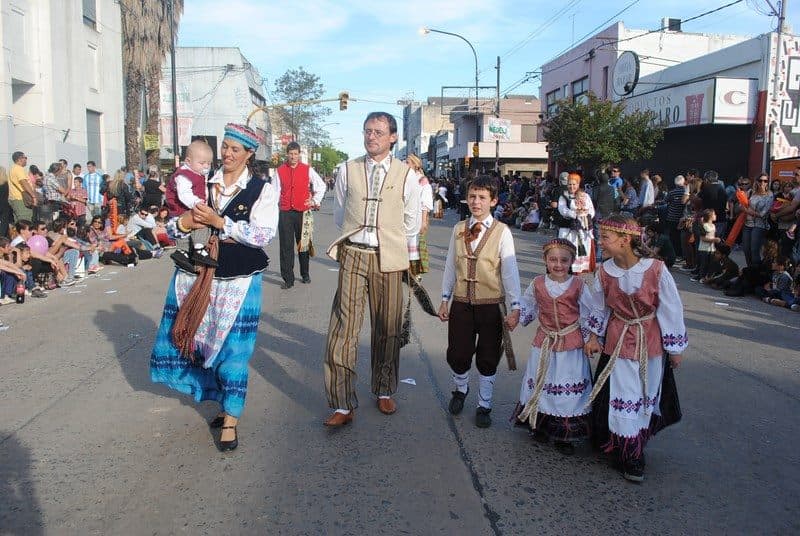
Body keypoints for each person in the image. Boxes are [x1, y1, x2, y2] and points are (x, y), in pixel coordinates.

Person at [150, 123, 278, 452]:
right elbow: (169, 229)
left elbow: (263, 235)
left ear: (250, 153)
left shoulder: (262, 188)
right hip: (197, 272)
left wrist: (222, 223)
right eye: (225, 147)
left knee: (235, 349)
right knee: (197, 340)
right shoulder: (201, 182)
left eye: (236, 150)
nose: (227, 154)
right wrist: (185, 223)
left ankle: (231, 417)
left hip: (240, 278)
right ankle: (220, 400)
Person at [322, 111, 421, 427]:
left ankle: (383, 389)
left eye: (378, 132)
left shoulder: (406, 175)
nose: (371, 137)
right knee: (343, 328)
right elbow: (341, 214)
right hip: (353, 252)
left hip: (389, 258)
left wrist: (387, 237)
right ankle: (341, 403)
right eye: (367, 131)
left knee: (388, 328)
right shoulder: (347, 170)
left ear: (393, 137)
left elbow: (412, 222)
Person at [584, 214, 688, 482]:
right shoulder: (605, 271)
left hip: (648, 339)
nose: (601, 242)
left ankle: (633, 445)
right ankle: (630, 453)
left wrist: (674, 347)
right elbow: (597, 305)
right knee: (621, 395)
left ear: (625, 240)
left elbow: (670, 307)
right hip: (618, 340)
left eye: (605, 237)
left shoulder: (655, 269)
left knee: (644, 393)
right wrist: (594, 336)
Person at [437, 176, 521, 428]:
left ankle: (484, 404)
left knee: (487, 355)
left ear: (493, 201)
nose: (476, 201)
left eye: (482, 197)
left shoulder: (502, 232)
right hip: (462, 302)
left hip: (490, 305)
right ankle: (460, 390)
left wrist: (516, 307)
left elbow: (510, 271)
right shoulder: (458, 229)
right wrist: (444, 298)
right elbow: (451, 265)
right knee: (458, 353)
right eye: (472, 196)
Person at [514, 238, 592, 454]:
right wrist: (517, 316)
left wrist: (590, 339)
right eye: (553, 260)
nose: (558, 265)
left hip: (570, 345)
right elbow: (527, 303)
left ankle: (565, 435)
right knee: (542, 382)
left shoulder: (578, 285)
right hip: (545, 341)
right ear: (545, 261)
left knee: (568, 388)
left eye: (564, 260)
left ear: (571, 262)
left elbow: (588, 313)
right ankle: (540, 425)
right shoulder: (538, 283)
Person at [276, 141, 325, 288]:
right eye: (290, 154)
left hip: (302, 212)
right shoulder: (280, 170)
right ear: (287, 154)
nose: (293, 157)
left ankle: (305, 273)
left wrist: (314, 200)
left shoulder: (307, 169)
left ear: (299, 154)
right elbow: (273, 192)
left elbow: (321, 185)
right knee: (285, 246)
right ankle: (288, 279)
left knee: (303, 244)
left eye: (296, 154)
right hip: (285, 212)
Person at [164, 140, 215, 271]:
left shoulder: (197, 173)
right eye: (202, 163)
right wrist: (196, 202)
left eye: (208, 163)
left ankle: (183, 252)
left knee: (189, 231)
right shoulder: (184, 175)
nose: (206, 166)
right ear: (188, 161)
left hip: (185, 209)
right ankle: (198, 248)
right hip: (183, 208)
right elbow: (183, 194)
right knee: (201, 224)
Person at [557, 173, 595, 274]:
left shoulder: (585, 196)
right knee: (568, 250)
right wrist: (574, 213)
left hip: (583, 228)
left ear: (578, 184)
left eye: (574, 184)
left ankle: (579, 274)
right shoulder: (564, 196)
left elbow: (591, 210)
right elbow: (562, 209)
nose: (572, 186)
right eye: (570, 184)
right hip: (568, 229)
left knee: (580, 251)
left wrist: (585, 214)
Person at [405, 154, 433, 280]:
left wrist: (423, 221)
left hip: (416, 217)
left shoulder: (422, 180)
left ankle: (416, 273)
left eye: (407, 162)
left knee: (415, 245)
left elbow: (425, 203)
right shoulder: (405, 178)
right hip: (405, 217)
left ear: (415, 165)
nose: (405, 165)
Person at [738, 173, 773, 267]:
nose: (763, 183)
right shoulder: (751, 192)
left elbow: (763, 214)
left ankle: (756, 273)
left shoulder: (769, 195)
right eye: (760, 180)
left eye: (765, 181)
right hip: (747, 224)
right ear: (757, 181)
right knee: (746, 249)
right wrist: (742, 207)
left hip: (759, 225)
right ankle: (750, 271)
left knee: (754, 250)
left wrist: (747, 210)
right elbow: (743, 205)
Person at [690, 209, 720, 282]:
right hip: (704, 248)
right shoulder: (704, 226)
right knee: (703, 264)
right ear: (710, 216)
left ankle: (707, 276)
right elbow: (703, 238)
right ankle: (700, 276)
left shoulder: (713, 225)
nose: (715, 216)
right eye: (714, 214)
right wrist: (714, 240)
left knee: (710, 263)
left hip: (712, 248)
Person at [8, 151, 36, 222]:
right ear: (20, 159)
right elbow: (23, 182)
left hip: (15, 199)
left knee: (19, 223)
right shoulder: (18, 168)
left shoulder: (12, 168)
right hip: (21, 199)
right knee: (25, 222)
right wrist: (33, 196)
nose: (26, 160)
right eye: (25, 158)